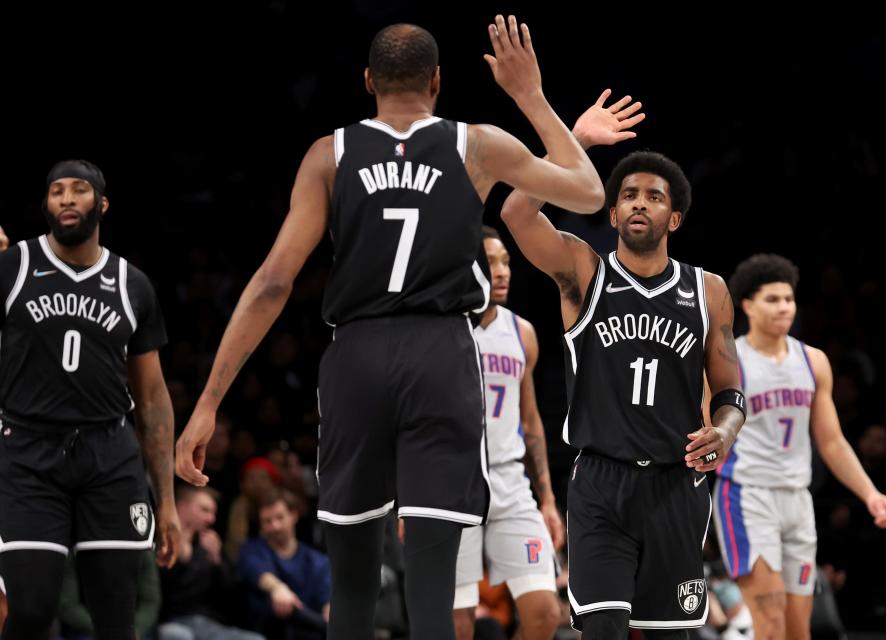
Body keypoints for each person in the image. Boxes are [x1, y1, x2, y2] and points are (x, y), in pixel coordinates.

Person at [174, 15, 604, 640]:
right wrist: (530, 95)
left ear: (367, 81)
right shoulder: (476, 143)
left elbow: (272, 282)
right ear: (437, 80)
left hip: (358, 357)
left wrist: (209, 402)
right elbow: (590, 194)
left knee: (353, 587)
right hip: (442, 356)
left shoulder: (331, 152)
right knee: (433, 594)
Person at [500, 93, 746, 639]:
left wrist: (724, 431)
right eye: (628, 195)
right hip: (600, 484)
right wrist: (578, 140)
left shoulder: (710, 291)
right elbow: (516, 212)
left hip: (676, 486)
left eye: (654, 197)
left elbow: (731, 392)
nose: (639, 203)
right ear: (610, 213)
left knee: (670, 635)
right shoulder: (584, 271)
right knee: (604, 630)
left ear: (673, 217)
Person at [0, 160, 179, 640]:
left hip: (109, 457)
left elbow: (152, 397)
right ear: (46, 206)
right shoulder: (14, 266)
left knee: (116, 621)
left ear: (101, 204)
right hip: (29, 453)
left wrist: (167, 501)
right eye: (56, 191)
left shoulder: (132, 283)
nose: (66, 199)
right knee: (33, 609)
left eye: (79, 190)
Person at [713, 253, 886, 639]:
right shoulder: (729, 362)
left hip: (798, 499)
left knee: (800, 631)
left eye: (789, 299)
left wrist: (870, 493)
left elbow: (831, 441)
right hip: (747, 496)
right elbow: (706, 428)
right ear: (747, 304)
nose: (784, 307)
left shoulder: (814, 361)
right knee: (772, 622)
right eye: (773, 299)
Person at [453, 226, 564, 640]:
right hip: (450, 484)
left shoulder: (523, 333)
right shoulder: (441, 329)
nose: (501, 272)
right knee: (457, 623)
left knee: (544, 613)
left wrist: (548, 499)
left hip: (509, 482)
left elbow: (531, 419)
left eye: (506, 262)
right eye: (489, 262)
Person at [158, 485, 263, 640]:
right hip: (173, 622)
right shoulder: (160, 540)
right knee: (176, 635)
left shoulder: (209, 545)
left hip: (210, 624)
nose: (211, 519)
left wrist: (217, 561)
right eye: (205, 510)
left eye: (213, 513)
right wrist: (181, 562)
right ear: (182, 507)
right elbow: (155, 594)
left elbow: (232, 596)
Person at [238, 489, 331, 639]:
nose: (275, 526)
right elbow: (258, 573)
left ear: (294, 515)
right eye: (267, 521)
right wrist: (278, 588)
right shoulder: (252, 550)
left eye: (280, 517)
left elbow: (328, 601)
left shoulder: (318, 561)